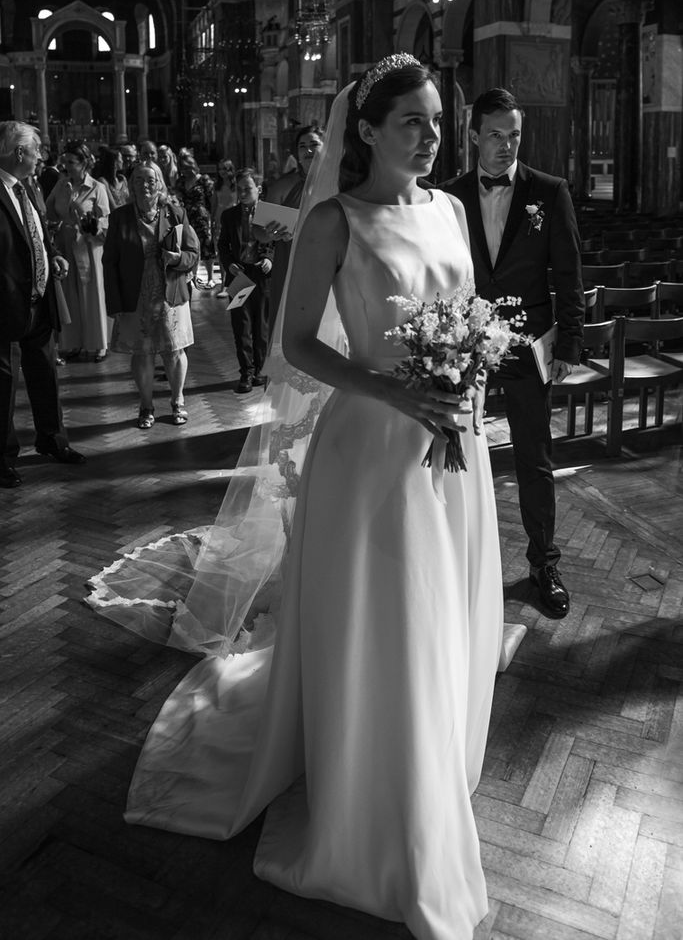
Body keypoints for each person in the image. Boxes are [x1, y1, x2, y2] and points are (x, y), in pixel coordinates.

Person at [88, 56, 525, 940]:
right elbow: (295, 345)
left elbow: (468, 312)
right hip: (369, 448)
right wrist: (394, 389)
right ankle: (382, 794)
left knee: (442, 607)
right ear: (365, 131)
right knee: (390, 614)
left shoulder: (445, 209)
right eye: (413, 121)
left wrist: (471, 375)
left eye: (437, 120)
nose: (432, 135)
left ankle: (433, 752)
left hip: (453, 440)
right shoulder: (335, 219)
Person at [443, 87, 584, 618]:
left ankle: (543, 562)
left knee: (534, 457)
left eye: (515, 135)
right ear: (474, 135)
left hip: (529, 342)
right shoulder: (448, 195)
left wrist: (569, 342)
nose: (506, 146)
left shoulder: (548, 192)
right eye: (496, 135)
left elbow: (568, 272)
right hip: (465, 346)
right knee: (455, 449)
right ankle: (454, 562)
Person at [0, 121, 85, 487]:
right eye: (36, 151)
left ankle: (51, 439)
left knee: (45, 371)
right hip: (5, 303)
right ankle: (3, 457)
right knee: (3, 383)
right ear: (19, 153)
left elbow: (36, 231)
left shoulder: (29, 186)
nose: (40, 158)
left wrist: (53, 257)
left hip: (39, 297)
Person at [103, 163, 199, 428]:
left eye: (150, 179)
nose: (144, 184)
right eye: (138, 179)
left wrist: (178, 258)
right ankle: (146, 406)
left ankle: (178, 401)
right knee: (142, 353)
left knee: (174, 351)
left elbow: (193, 253)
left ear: (160, 184)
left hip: (170, 292)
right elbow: (109, 262)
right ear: (131, 185)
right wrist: (113, 301)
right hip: (135, 295)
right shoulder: (119, 217)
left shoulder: (176, 214)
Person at [46, 139, 110, 362]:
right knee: (70, 295)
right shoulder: (61, 184)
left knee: (91, 295)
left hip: (89, 247)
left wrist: (92, 224)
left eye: (72, 162)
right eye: (65, 162)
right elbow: (50, 210)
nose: (67, 167)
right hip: (65, 246)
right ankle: (72, 343)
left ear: (84, 163)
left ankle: (98, 344)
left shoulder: (96, 188)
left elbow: (106, 220)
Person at [263, 124, 324, 334]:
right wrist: (270, 232)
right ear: (296, 153)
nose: (308, 151)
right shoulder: (283, 185)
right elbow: (258, 232)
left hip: (328, 263)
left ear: (327, 146)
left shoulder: (341, 183)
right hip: (290, 262)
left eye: (314, 144)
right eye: (302, 146)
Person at [217, 168, 274, 392]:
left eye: (247, 189)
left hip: (261, 274)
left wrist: (270, 258)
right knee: (241, 325)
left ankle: (261, 370)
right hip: (239, 275)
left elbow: (279, 243)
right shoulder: (229, 215)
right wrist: (228, 262)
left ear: (258, 189)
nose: (242, 193)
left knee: (262, 326)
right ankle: (246, 373)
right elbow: (223, 244)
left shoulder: (269, 214)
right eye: (239, 189)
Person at [176, 147, 216, 288]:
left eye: (189, 167)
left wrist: (212, 217)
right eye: (184, 168)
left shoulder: (204, 180)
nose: (187, 171)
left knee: (206, 246)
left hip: (202, 218)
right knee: (190, 246)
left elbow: (212, 199)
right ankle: (194, 276)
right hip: (187, 218)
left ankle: (211, 277)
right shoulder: (180, 182)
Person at [211, 158, 237, 298]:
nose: (223, 172)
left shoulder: (236, 185)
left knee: (235, 253)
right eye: (220, 169)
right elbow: (214, 205)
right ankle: (223, 285)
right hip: (220, 222)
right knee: (222, 255)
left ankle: (235, 284)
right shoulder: (217, 185)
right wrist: (211, 223)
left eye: (225, 169)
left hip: (234, 221)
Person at [98, 147, 129, 212]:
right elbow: (112, 207)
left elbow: (128, 199)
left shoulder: (123, 179)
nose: (122, 161)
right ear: (114, 162)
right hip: (113, 219)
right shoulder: (103, 181)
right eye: (120, 158)